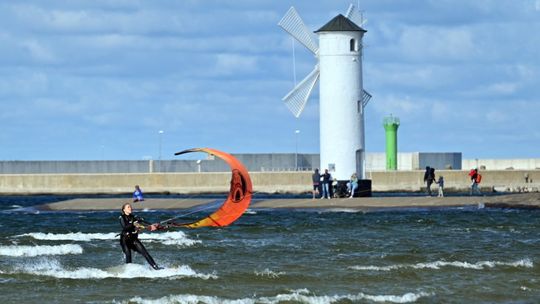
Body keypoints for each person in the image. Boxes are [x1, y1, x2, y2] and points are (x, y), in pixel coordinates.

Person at [119, 203, 161, 270]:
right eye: (128, 207)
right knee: (128, 255)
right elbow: (125, 227)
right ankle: (127, 272)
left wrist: (152, 225)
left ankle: (156, 268)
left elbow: (143, 222)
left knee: (145, 253)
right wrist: (133, 223)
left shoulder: (133, 217)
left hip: (133, 239)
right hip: (125, 240)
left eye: (130, 207)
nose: (130, 208)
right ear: (124, 210)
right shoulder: (122, 217)